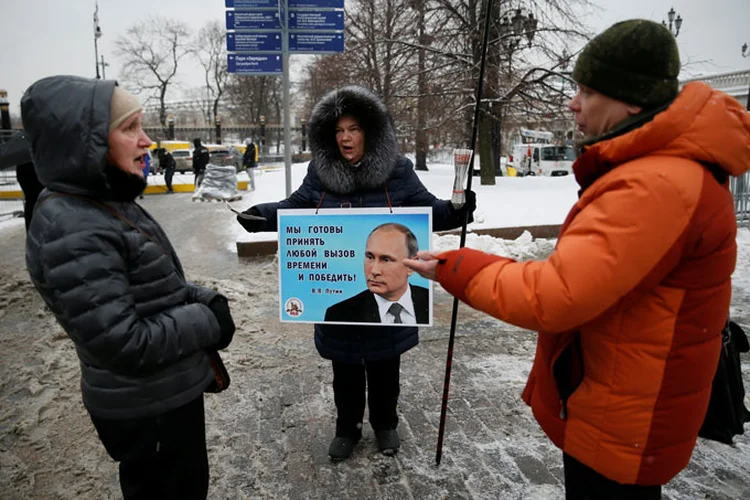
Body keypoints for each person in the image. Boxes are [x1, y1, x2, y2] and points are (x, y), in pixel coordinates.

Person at [404, 19, 750, 499]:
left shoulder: (657, 185)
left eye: (586, 91)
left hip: (622, 415)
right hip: (618, 398)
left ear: (630, 100)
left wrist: (455, 267)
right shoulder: (657, 171)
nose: (572, 103)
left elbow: (555, 295)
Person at [21, 76, 236, 500]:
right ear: (86, 143)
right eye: (129, 128)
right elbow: (125, 343)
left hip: (161, 397)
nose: (147, 141)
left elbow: (156, 284)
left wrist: (205, 299)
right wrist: (205, 320)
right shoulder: (74, 226)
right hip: (147, 409)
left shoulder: (101, 201)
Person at [236, 86, 475, 461]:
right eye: (339, 131)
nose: (346, 138)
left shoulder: (398, 171)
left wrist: (458, 209)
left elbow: (432, 212)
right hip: (342, 297)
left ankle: (386, 425)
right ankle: (346, 428)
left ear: (371, 132)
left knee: (385, 367)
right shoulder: (320, 173)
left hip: (390, 298)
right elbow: (293, 207)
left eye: (354, 129)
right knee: (345, 370)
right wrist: (261, 216)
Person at [324, 222, 428, 325]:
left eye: (386, 260)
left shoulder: (430, 302)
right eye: (370, 257)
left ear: (411, 266)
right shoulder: (339, 314)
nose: (374, 271)